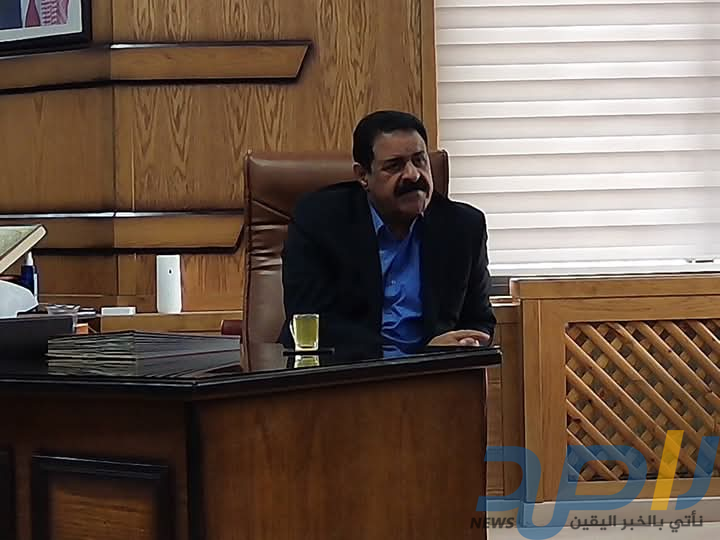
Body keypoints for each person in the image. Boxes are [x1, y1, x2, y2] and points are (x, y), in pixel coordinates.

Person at [279, 110, 496, 355]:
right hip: (348, 372)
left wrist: (467, 342)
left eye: (419, 160)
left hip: (434, 373)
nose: (413, 175)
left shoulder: (463, 227)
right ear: (363, 176)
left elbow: (479, 320)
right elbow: (311, 322)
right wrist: (415, 356)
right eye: (394, 166)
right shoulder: (320, 221)